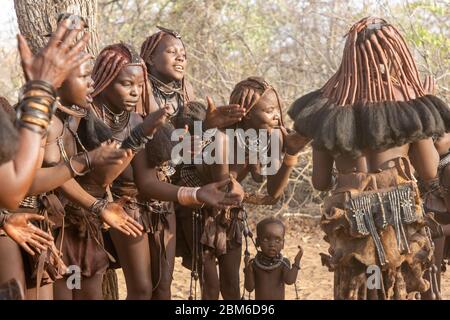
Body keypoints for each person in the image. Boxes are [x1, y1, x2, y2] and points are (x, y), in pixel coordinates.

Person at [288, 17, 450, 299]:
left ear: (351, 59)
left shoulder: (327, 109)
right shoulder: (408, 101)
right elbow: (429, 171)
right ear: (394, 55)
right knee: (395, 285)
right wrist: (425, 112)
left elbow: (321, 181)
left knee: (361, 287)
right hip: (397, 213)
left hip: (351, 215)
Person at [176, 77, 308, 300]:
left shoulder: (270, 137)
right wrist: (234, 185)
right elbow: (223, 185)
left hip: (230, 213)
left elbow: (274, 193)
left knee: (231, 285)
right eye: (270, 110)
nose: (277, 115)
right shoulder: (222, 136)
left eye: (278, 109)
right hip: (200, 210)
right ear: (246, 113)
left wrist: (291, 153)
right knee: (210, 286)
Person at [244, 217, 303, 300]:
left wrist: (297, 262)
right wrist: (248, 270)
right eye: (266, 239)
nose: (272, 244)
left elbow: (289, 280)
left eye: (278, 240)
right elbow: (249, 288)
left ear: (283, 244)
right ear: (257, 242)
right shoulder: (255, 264)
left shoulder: (283, 263)